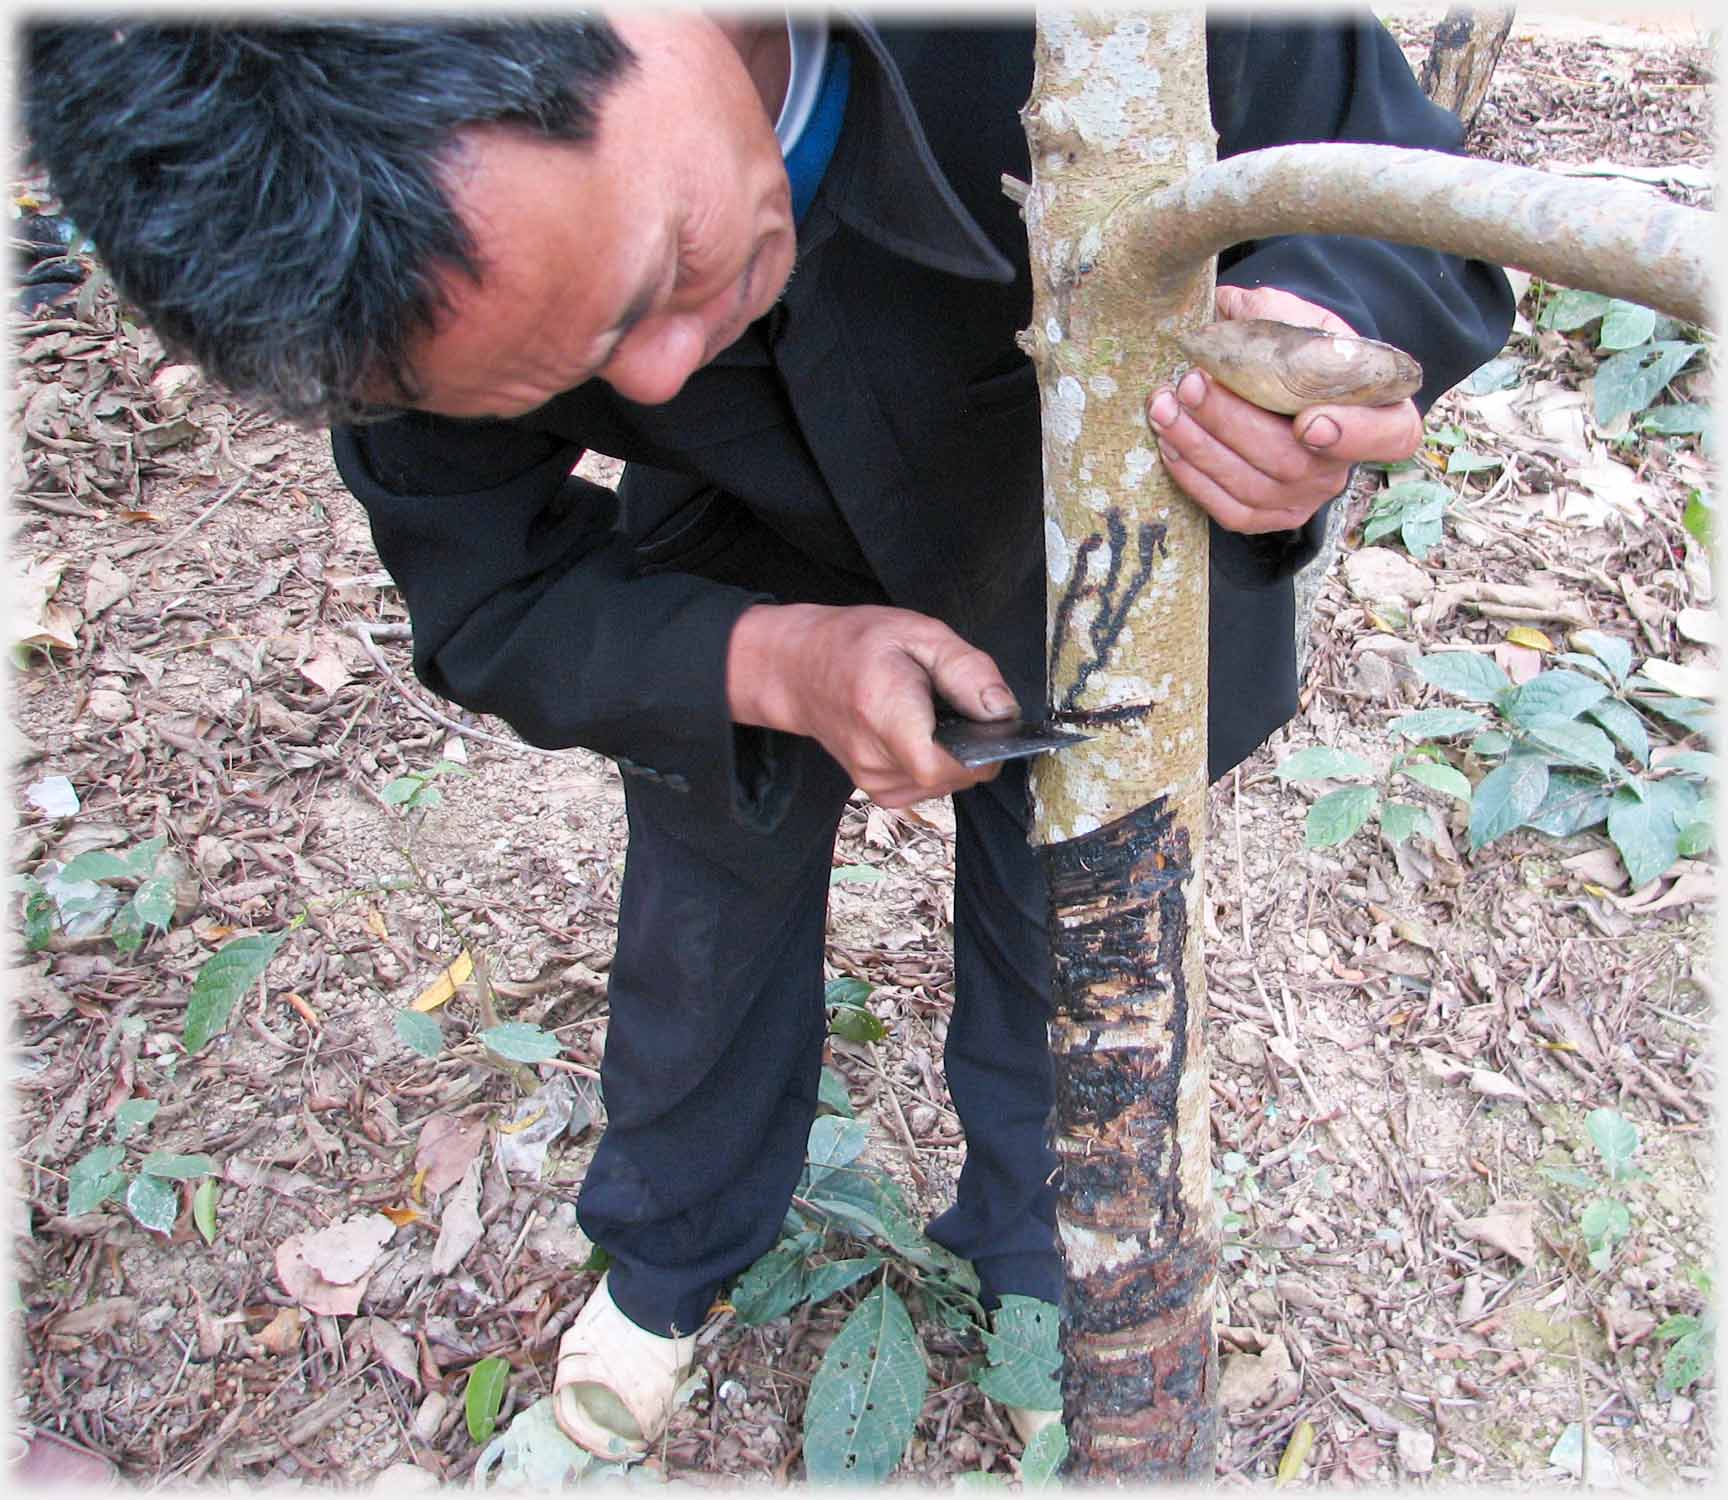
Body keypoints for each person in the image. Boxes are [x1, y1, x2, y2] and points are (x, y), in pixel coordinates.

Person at [24, 9, 1513, 1461]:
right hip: (743, 553)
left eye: (655, 277)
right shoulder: (379, 274)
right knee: (703, 927)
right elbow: (486, 594)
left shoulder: (1100, 21)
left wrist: (1325, 330)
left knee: (1075, 939)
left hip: (1108, 556)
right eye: (579, 378)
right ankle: (673, 1253)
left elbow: (1402, 189)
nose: (660, 375)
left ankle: (1047, 1270)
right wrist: (772, 661)